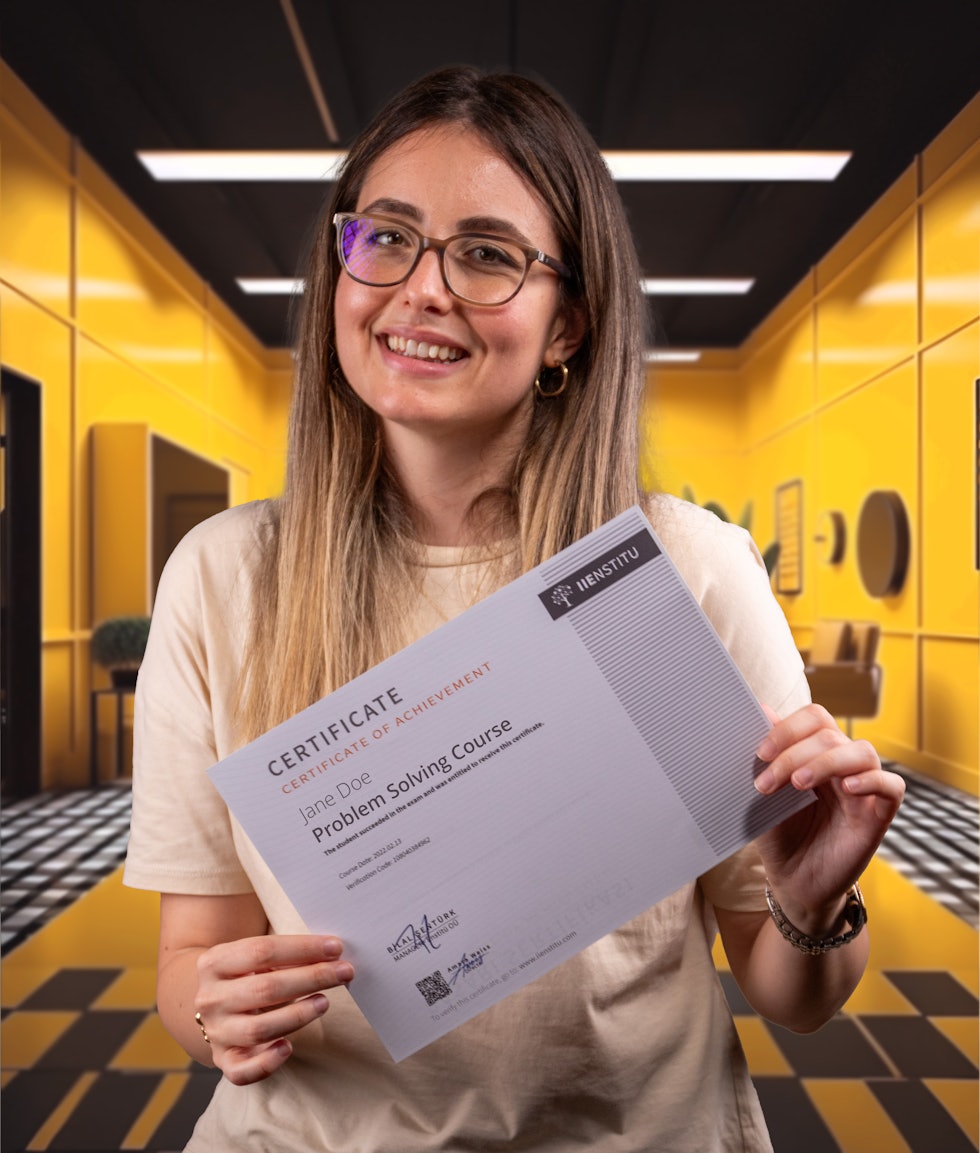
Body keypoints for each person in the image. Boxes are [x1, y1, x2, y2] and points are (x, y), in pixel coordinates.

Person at [124, 65, 905, 1152]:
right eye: (385, 237)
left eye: (486, 254)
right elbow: (186, 968)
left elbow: (795, 995)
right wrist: (214, 1013)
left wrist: (809, 904)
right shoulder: (222, 576)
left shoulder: (675, 571)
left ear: (567, 327)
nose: (422, 288)